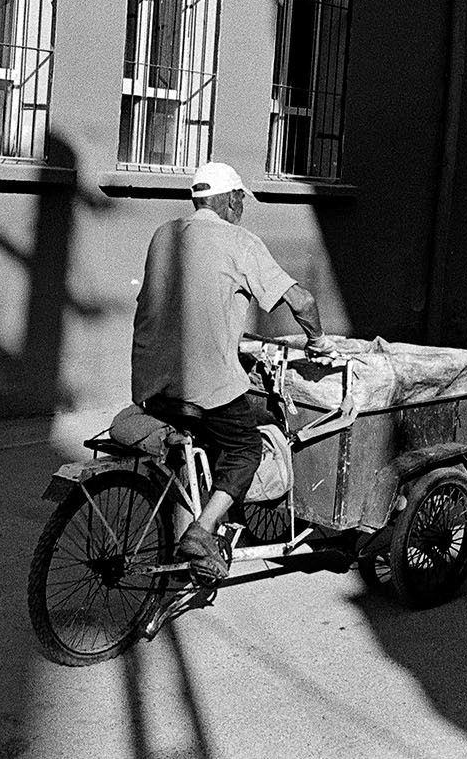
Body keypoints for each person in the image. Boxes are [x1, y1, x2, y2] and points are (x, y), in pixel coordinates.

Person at [131, 160, 336, 583]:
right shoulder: (240, 241)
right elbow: (302, 302)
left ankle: (203, 509)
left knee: (216, 427)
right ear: (228, 200)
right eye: (241, 198)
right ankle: (201, 531)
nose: (242, 207)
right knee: (246, 445)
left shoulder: (164, 234)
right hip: (201, 386)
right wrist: (318, 342)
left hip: (151, 382)